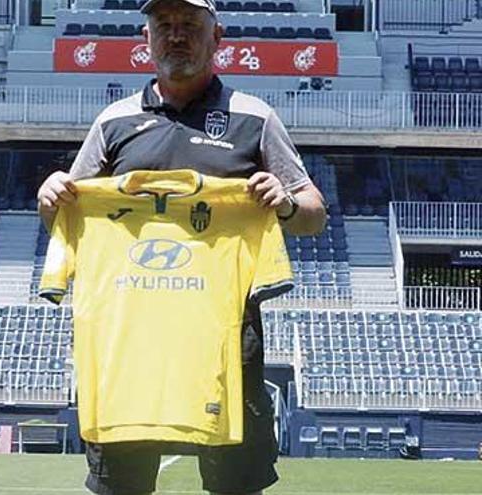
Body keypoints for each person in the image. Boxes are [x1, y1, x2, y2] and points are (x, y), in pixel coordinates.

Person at [36, 0, 327, 494]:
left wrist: (283, 203)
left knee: (235, 485)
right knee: (121, 488)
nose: (176, 36)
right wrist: (51, 195)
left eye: (190, 26)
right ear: (144, 41)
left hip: (226, 343)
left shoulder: (254, 118)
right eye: (164, 26)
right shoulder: (113, 122)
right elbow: (66, 215)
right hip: (129, 346)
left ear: (217, 38)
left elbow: (313, 214)